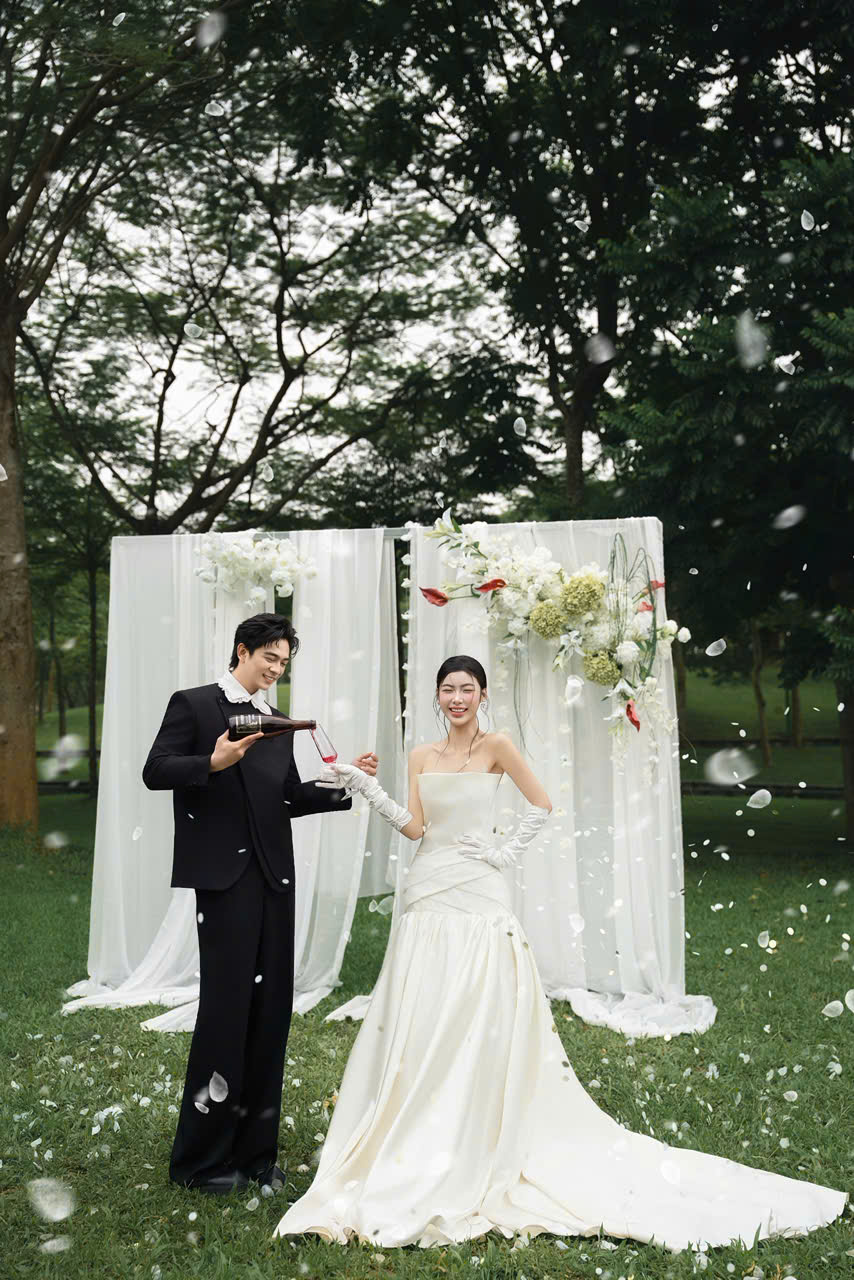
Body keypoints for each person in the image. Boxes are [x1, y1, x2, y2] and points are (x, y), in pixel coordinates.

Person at [274, 654, 847, 1250]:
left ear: (483, 694)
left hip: (480, 889)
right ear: (437, 695)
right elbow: (416, 828)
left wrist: (501, 853)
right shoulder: (421, 755)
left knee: (478, 1004)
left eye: (466, 688)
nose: (456, 698)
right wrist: (367, 787)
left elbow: (542, 805)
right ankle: (419, 1119)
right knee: (423, 1006)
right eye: (447, 689)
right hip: (429, 888)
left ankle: (478, 1119)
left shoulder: (497, 746)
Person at [143, 612, 377, 1195]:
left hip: (275, 878)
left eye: (283, 661)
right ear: (242, 651)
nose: (276, 669)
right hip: (224, 882)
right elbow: (155, 770)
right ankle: (202, 1162)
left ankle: (255, 1156)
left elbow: (286, 797)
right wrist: (212, 763)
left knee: (271, 1014)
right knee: (225, 1013)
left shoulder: (276, 721)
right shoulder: (194, 705)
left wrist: (343, 783)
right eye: (269, 657)